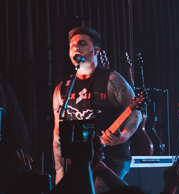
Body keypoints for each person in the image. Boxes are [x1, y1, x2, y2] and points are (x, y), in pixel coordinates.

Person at [52, 26, 141, 185]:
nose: (76, 48)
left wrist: (124, 136)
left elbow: (136, 111)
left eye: (82, 43)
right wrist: (59, 170)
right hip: (79, 162)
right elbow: (58, 132)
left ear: (96, 51)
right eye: (72, 45)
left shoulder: (112, 80)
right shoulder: (62, 89)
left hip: (111, 159)